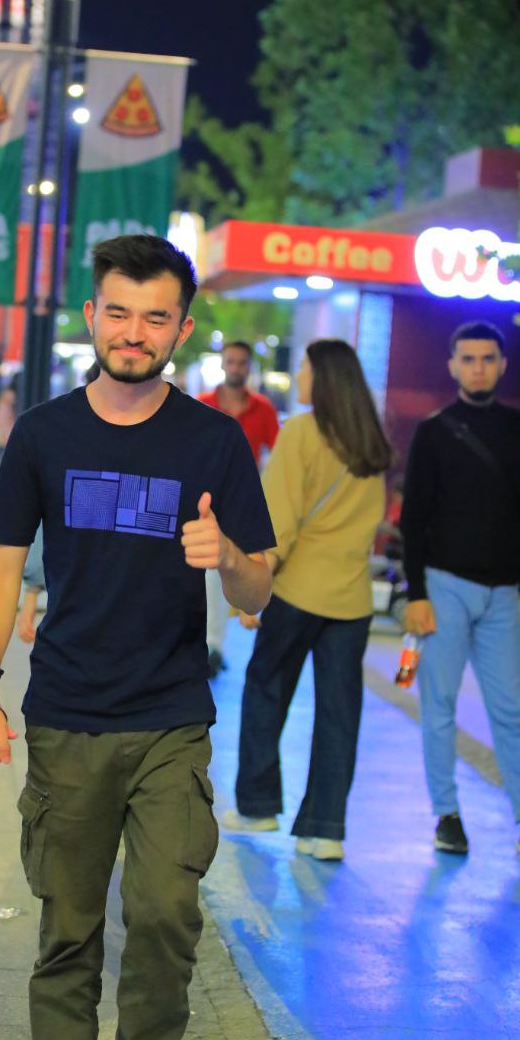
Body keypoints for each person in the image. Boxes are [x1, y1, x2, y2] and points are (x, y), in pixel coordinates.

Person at [0, 235, 274, 1040]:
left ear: (181, 328)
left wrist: (229, 557)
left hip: (170, 714)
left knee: (167, 908)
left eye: (155, 317)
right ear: (92, 317)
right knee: (69, 918)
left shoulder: (213, 440)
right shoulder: (43, 434)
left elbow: (257, 590)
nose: (135, 333)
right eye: (119, 313)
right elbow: (2, 568)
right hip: (66, 712)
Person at [226, 339, 392, 861]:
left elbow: (280, 521)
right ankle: (326, 829)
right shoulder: (371, 440)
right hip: (351, 599)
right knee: (340, 712)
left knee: (265, 690)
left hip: (296, 591)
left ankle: (258, 806)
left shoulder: (300, 431)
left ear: (321, 378)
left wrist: (253, 591)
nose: (298, 376)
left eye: (303, 368)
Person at [400, 320, 520, 855]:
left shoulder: (516, 428)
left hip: (504, 594)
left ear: (502, 365)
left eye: (487, 359)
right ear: (452, 365)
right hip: (444, 587)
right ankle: (446, 815)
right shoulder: (433, 431)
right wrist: (416, 594)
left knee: (511, 710)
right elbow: (414, 518)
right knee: (439, 705)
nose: (478, 368)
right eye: (468, 359)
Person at [199, 341, 280, 676]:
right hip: (204, 498)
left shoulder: (263, 409)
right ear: (223, 364)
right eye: (230, 361)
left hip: (243, 500)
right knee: (205, 571)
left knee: (229, 570)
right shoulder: (202, 404)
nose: (235, 368)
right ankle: (207, 644)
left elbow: (278, 456)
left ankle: (214, 645)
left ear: (249, 367)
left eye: (241, 362)